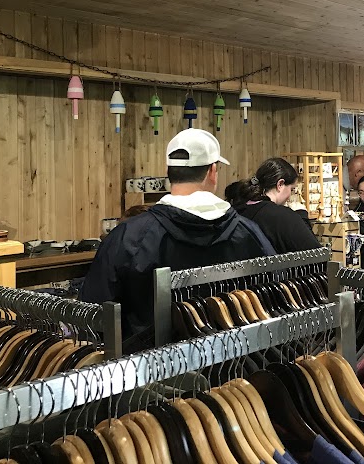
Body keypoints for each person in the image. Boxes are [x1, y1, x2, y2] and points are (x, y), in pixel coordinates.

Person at [80, 129, 275, 351]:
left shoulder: (129, 236)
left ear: (168, 172)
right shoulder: (248, 232)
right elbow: (274, 297)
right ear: (212, 171)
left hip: (148, 368)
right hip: (234, 363)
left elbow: (93, 314)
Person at [232, 157, 321, 254]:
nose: (290, 195)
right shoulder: (284, 217)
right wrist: (302, 216)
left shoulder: (238, 211)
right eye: (291, 189)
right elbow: (316, 255)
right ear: (280, 184)